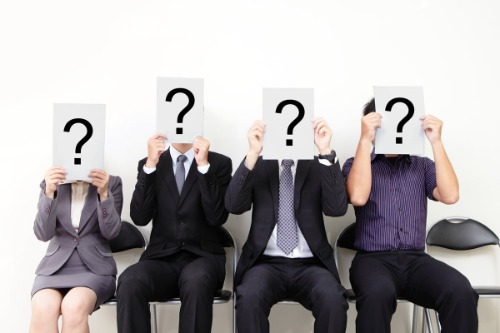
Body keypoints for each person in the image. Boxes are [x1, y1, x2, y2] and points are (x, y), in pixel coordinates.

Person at [342, 98, 478, 333]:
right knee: (377, 294)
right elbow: (357, 197)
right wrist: (365, 140)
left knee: (461, 291)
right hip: (372, 261)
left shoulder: (422, 166)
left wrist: (436, 141)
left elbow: (450, 195)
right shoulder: (356, 164)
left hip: (416, 261)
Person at [225, 118, 349, 333]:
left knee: (333, 300)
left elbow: (337, 209)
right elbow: (233, 205)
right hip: (265, 264)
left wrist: (325, 150)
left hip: (311, 265)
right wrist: (252, 153)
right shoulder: (260, 165)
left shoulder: (317, 164)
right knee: (249, 298)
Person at [116, 133, 232, 333]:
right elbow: (140, 217)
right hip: (161, 259)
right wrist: (150, 165)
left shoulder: (218, 163)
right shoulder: (150, 164)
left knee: (195, 281)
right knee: (129, 281)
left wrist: (203, 166)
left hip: (203, 258)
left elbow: (217, 217)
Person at [29, 167, 123, 333]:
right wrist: (49, 193)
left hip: (95, 269)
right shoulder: (51, 183)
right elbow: (43, 234)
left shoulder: (111, 182)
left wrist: (104, 194)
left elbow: (111, 232)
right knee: (42, 307)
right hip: (54, 269)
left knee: (73, 306)